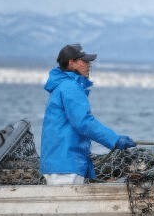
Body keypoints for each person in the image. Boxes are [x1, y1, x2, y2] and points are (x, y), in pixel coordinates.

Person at [40, 44, 136, 185]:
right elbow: (83, 122)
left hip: (60, 164)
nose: (89, 64)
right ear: (72, 63)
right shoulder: (70, 87)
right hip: (65, 167)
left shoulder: (63, 85)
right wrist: (115, 140)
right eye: (84, 61)